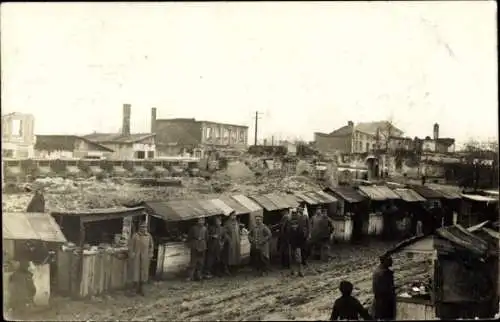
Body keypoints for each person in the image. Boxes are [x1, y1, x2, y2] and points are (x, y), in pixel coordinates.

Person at [129, 221, 154, 295]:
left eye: (145, 227)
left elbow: (151, 246)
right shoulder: (135, 236)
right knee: (136, 272)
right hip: (137, 256)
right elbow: (131, 246)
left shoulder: (149, 236)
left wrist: (150, 254)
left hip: (145, 257)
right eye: (142, 227)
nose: (144, 228)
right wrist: (132, 253)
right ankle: (134, 289)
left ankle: (142, 289)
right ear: (139, 228)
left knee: (144, 272)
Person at [372, 255, 396, 320]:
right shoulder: (386, 273)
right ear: (384, 261)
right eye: (389, 260)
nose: (391, 261)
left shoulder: (376, 271)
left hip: (378, 301)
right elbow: (389, 289)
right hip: (385, 302)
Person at [287, 208, 309, 277]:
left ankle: (300, 271)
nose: (294, 226)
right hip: (291, 246)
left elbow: (302, 239)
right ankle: (292, 271)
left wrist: (300, 246)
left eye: (295, 225)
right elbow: (288, 238)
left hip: (298, 246)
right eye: (293, 225)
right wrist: (290, 243)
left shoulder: (300, 231)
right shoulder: (290, 230)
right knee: (291, 259)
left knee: (299, 260)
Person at [187, 217, 208, 281]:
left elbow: (207, 238)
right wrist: (194, 242)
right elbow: (189, 237)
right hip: (195, 245)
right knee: (193, 261)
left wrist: (203, 242)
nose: (201, 222)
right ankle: (190, 276)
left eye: (203, 220)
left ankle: (199, 275)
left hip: (202, 246)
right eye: (200, 220)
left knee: (201, 262)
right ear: (197, 221)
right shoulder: (193, 228)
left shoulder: (205, 229)